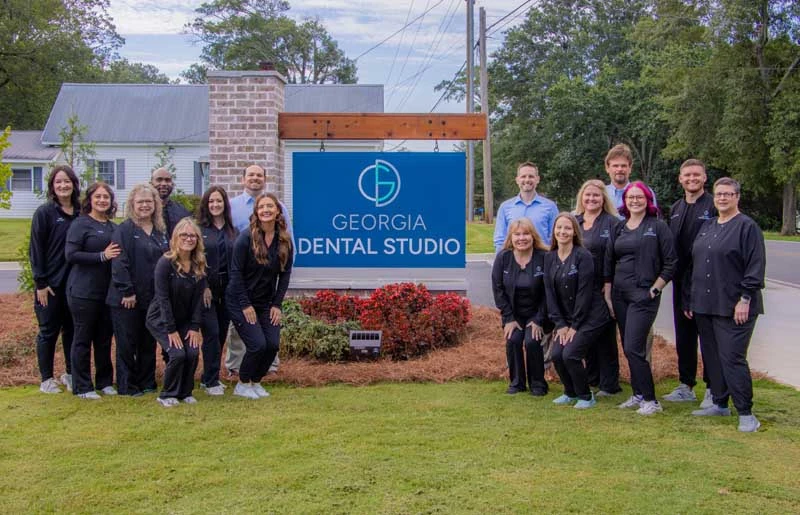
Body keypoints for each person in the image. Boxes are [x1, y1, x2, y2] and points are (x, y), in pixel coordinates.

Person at [686, 178, 765, 432]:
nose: (722, 198)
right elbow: (697, 263)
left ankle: (746, 414)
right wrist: (692, 299)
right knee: (713, 358)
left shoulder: (747, 227)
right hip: (705, 304)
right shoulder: (708, 226)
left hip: (735, 306)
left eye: (728, 194)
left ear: (737, 197)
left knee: (732, 358)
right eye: (719, 194)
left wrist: (745, 299)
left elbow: (755, 267)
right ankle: (719, 403)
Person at [604, 181, 676, 415]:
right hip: (620, 295)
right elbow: (609, 261)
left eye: (639, 197)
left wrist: (654, 289)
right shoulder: (619, 227)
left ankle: (651, 400)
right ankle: (637, 395)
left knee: (634, 347)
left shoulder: (658, 227)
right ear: (624, 201)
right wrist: (609, 293)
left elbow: (671, 262)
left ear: (648, 200)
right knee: (628, 347)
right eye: (630, 197)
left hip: (643, 296)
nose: (635, 201)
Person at [225, 164, 293, 378]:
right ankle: (238, 371)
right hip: (241, 283)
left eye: (259, 175)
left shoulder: (283, 234)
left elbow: (286, 266)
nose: (255, 178)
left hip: (265, 290)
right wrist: (244, 302)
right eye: (251, 175)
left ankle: (261, 374)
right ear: (243, 178)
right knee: (246, 336)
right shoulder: (232, 208)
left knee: (268, 341)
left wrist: (277, 303)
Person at [663, 159, 717, 405]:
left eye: (696, 175)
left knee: (708, 337)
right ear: (680, 179)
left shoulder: (713, 206)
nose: (692, 179)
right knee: (684, 336)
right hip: (680, 282)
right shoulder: (676, 208)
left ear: (704, 178)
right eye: (687, 175)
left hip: (704, 282)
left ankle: (713, 388)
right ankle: (686, 385)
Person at [107, 184, 169, 396]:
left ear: (155, 204)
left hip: (152, 297)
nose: (145, 205)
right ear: (132, 204)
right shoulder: (124, 230)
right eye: (140, 201)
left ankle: (147, 381)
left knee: (147, 341)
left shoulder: (160, 231)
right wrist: (127, 291)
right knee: (127, 343)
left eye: (149, 201)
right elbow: (119, 262)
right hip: (127, 298)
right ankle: (127, 385)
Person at [546, 213, 611, 409]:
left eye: (567, 228)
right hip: (566, 320)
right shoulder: (549, 258)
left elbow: (585, 294)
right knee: (557, 355)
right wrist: (560, 324)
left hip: (591, 316)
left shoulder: (583, 256)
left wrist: (574, 326)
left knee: (571, 355)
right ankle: (570, 392)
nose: (562, 232)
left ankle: (586, 396)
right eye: (559, 227)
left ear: (575, 231)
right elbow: (550, 294)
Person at [65, 182, 120, 399]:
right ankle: (82, 386)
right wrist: (101, 256)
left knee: (104, 339)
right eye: (98, 197)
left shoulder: (113, 227)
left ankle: (104, 382)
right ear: (90, 200)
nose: (102, 200)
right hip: (83, 292)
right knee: (82, 338)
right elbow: (71, 255)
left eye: (106, 197)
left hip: (106, 292)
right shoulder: (80, 224)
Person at [30, 165, 80, 394]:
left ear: (74, 184)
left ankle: (70, 374)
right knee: (48, 331)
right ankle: (46, 379)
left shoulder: (80, 212)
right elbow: (36, 250)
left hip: (74, 286)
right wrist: (40, 283)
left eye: (67, 181)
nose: (63, 185)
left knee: (71, 330)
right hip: (49, 286)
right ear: (52, 186)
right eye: (58, 182)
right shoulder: (45, 213)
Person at [146, 218, 206, 407]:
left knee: (192, 353)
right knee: (177, 354)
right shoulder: (166, 263)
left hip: (185, 319)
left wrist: (195, 327)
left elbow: (198, 300)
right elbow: (162, 299)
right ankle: (167, 395)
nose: (188, 239)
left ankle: (185, 392)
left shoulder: (199, 264)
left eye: (192, 235)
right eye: (184, 235)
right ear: (175, 238)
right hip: (161, 318)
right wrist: (171, 330)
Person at [573, 179, 622, 397]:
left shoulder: (613, 223)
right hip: (579, 289)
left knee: (605, 337)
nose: (591, 199)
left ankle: (609, 384)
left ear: (603, 198)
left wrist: (609, 284)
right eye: (588, 195)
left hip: (604, 289)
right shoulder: (575, 221)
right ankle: (592, 378)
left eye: (596, 195)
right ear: (581, 198)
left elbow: (618, 256)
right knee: (586, 334)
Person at [491, 218, 550, 396]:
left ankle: (538, 384)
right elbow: (498, 290)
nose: (521, 238)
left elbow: (549, 292)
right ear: (511, 237)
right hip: (513, 314)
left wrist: (539, 319)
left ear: (533, 236)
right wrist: (508, 318)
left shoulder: (544, 257)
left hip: (537, 313)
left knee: (532, 341)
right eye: (517, 234)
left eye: (526, 234)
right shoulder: (503, 257)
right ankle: (517, 383)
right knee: (513, 340)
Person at [197, 186, 238, 396]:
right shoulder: (199, 230)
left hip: (227, 290)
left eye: (219, 201)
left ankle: (209, 376)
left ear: (225, 204)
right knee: (211, 333)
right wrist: (203, 285)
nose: (215, 205)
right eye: (211, 201)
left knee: (221, 334)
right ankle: (210, 381)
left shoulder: (233, 231)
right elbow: (194, 260)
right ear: (206, 204)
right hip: (207, 290)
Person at [493, 162, 559, 252]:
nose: (527, 180)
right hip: (513, 258)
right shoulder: (505, 207)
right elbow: (500, 240)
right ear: (517, 180)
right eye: (523, 176)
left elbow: (555, 239)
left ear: (537, 179)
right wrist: (501, 259)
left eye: (531, 176)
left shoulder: (550, 207)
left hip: (543, 258)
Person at [604, 143, 657, 211]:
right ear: (607, 168)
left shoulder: (645, 192)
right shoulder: (601, 194)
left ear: (630, 168)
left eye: (623, 166)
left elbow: (653, 216)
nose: (620, 169)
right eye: (615, 166)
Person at [151, 167, 190, 238]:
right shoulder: (145, 210)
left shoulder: (182, 212)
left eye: (167, 180)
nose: (164, 183)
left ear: (172, 184)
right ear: (151, 183)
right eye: (159, 180)